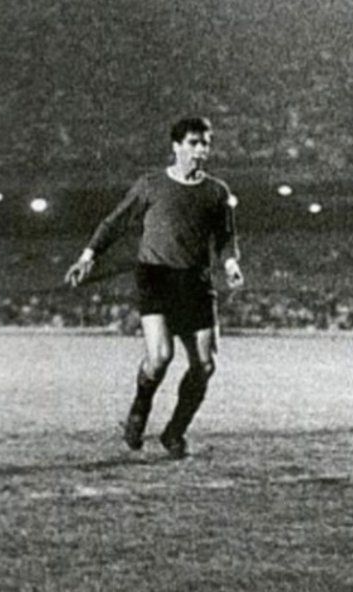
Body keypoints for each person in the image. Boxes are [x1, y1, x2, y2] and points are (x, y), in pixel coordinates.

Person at [64, 117, 243, 459]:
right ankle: (139, 410)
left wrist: (231, 264)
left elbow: (225, 237)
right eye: (194, 143)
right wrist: (89, 256)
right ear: (176, 146)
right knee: (160, 357)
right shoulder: (151, 184)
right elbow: (115, 221)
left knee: (204, 365)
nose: (202, 149)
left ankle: (174, 433)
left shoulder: (217, 191)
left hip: (196, 280)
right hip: (156, 276)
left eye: (206, 143)